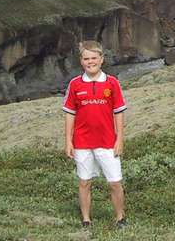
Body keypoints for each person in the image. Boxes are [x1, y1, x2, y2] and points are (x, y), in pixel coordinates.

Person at [63, 40, 127, 229]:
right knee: (84, 182)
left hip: (107, 142)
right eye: (86, 58)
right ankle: (86, 220)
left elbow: (119, 112)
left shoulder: (112, 83)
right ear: (81, 61)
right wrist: (68, 141)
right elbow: (69, 114)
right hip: (82, 142)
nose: (90, 62)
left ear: (101, 59)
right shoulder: (74, 84)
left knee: (115, 182)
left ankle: (120, 218)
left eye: (94, 58)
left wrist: (120, 139)